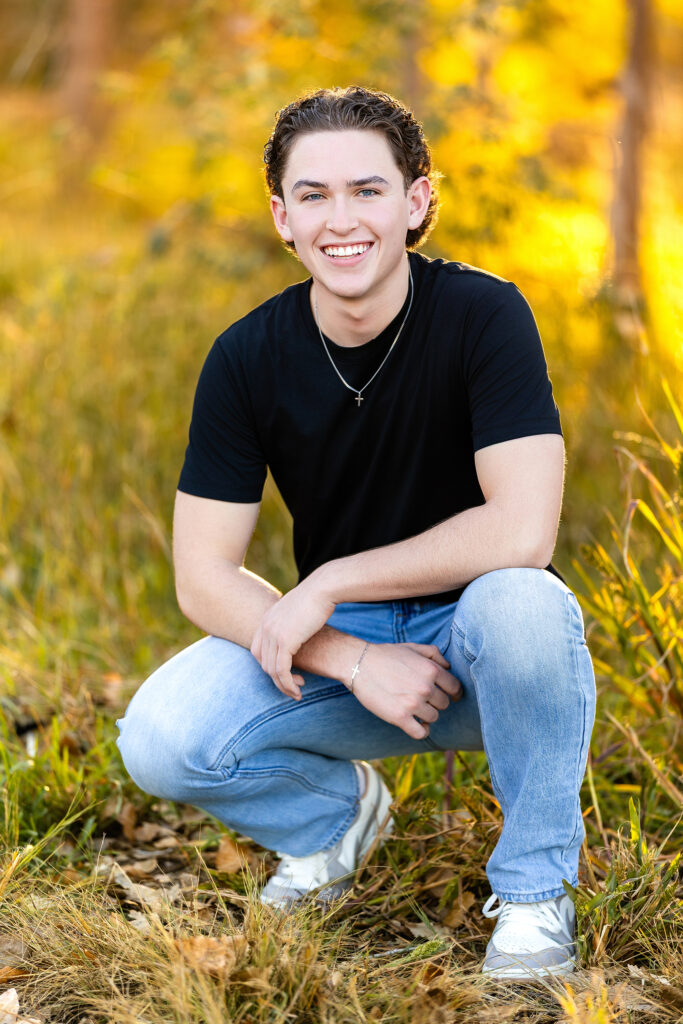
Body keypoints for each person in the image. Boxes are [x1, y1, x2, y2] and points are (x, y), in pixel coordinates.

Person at [116, 86, 596, 980]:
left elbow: (522, 529)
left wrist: (328, 581)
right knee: (161, 735)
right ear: (282, 218)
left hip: (489, 652)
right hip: (357, 666)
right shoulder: (245, 357)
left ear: (415, 202)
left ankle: (534, 894)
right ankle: (332, 823)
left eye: (368, 191)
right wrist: (348, 654)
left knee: (524, 601)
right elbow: (201, 577)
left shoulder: (485, 316)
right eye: (314, 195)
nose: (343, 219)